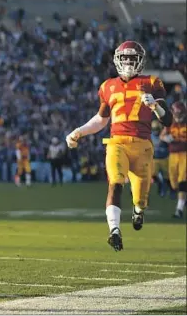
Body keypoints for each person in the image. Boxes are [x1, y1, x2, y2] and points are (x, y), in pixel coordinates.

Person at [65, 41, 172, 252]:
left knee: (140, 198)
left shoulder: (152, 82)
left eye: (133, 59)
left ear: (140, 61)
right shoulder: (108, 86)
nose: (129, 63)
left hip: (142, 145)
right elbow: (101, 120)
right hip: (117, 142)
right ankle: (114, 230)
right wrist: (79, 131)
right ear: (117, 60)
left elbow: (167, 120)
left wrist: (155, 106)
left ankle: (138, 210)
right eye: (125, 59)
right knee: (115, 182)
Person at [160, 101, 187, 219]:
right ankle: (183, 200)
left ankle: (179, 210)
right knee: (174, 183)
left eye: (180, 114)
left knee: (182, 181)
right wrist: (166, 138)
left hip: (185, 154)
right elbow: (161, 135)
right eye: (177, 114)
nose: (179, 117)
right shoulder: (170, 123)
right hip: (172, 155)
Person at [150, 120, 170, 198]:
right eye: (154, 129)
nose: (155, 131)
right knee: (154, 175)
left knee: (166, 176)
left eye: (157, 129)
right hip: (155, 158)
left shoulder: (164, 134)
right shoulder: (150, 136)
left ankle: (166, 189)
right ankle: (160, 186)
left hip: (165, 158)